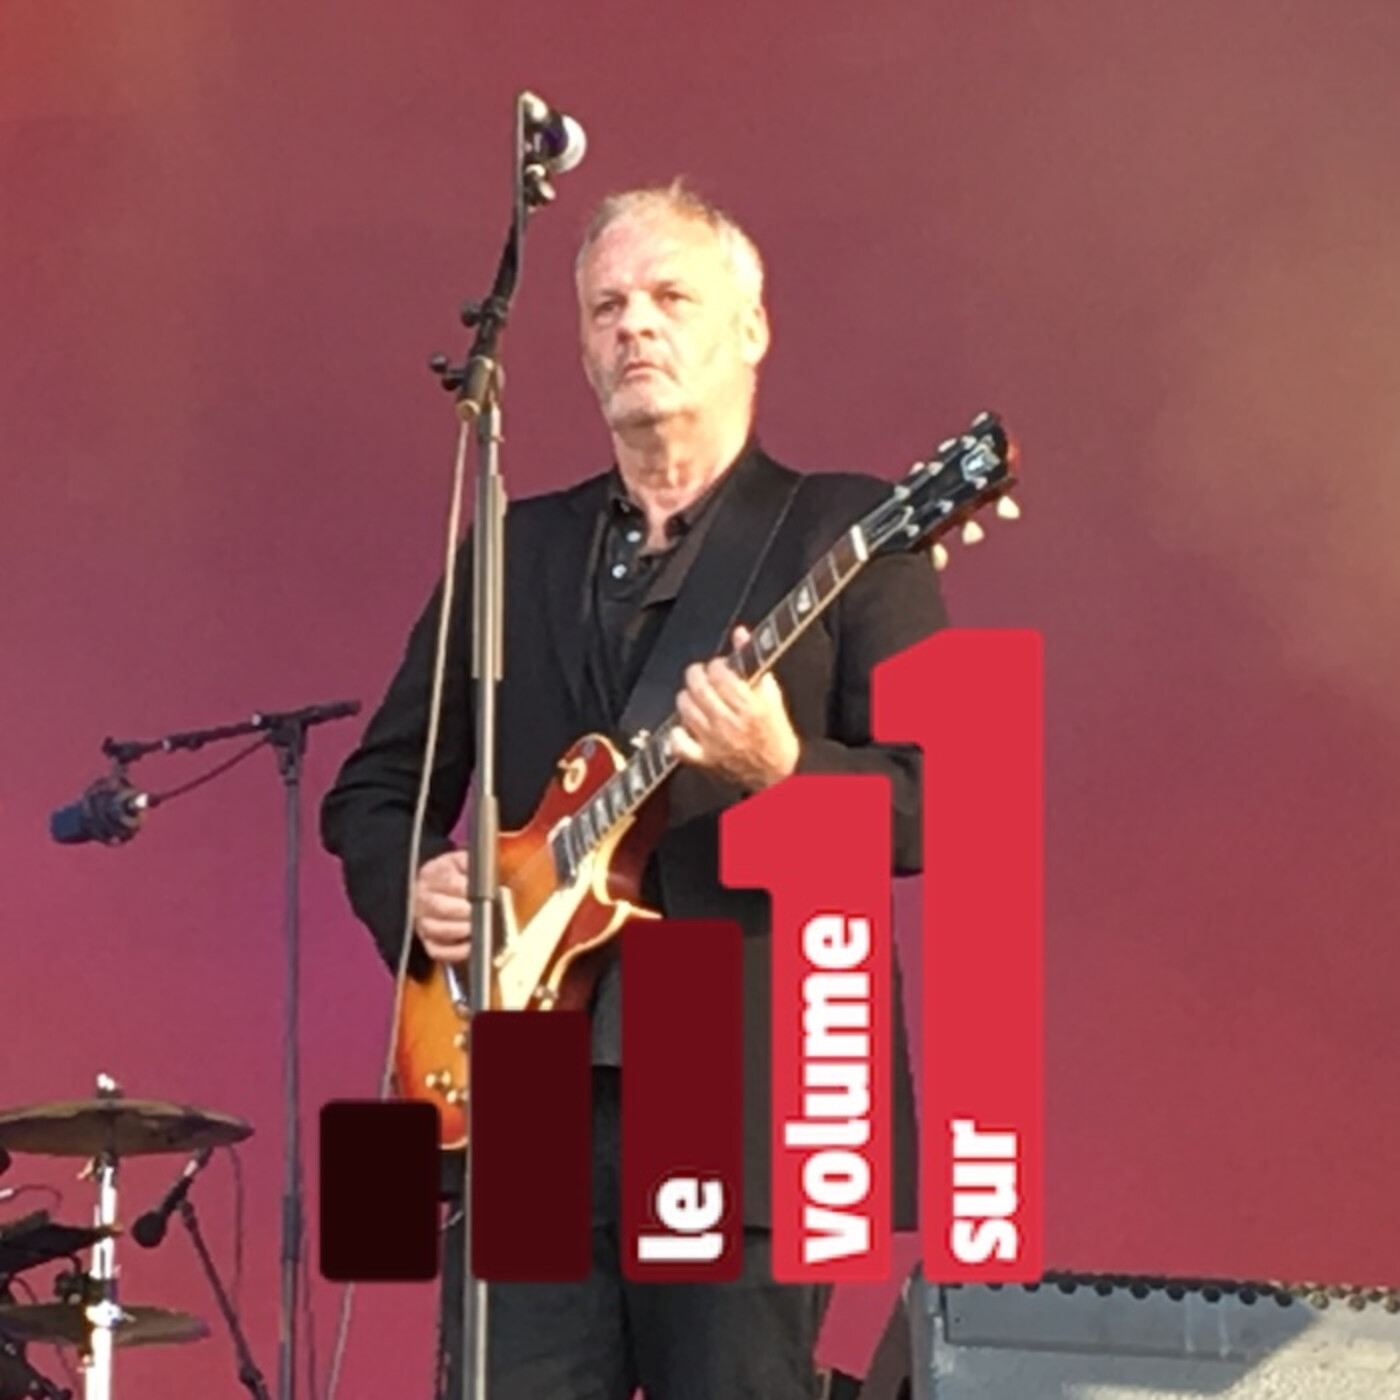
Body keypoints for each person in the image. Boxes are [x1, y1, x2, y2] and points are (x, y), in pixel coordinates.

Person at [318, 179, 948, 1400]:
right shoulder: (515, 546)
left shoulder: (848, 529)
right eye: (606, 306)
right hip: (522, 1090)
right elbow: (376, 787)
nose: (634, 325)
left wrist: (782, 771)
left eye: (669, 297)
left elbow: (938, 803)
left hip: (739, 1072)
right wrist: (420, 889)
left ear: (750, 328)